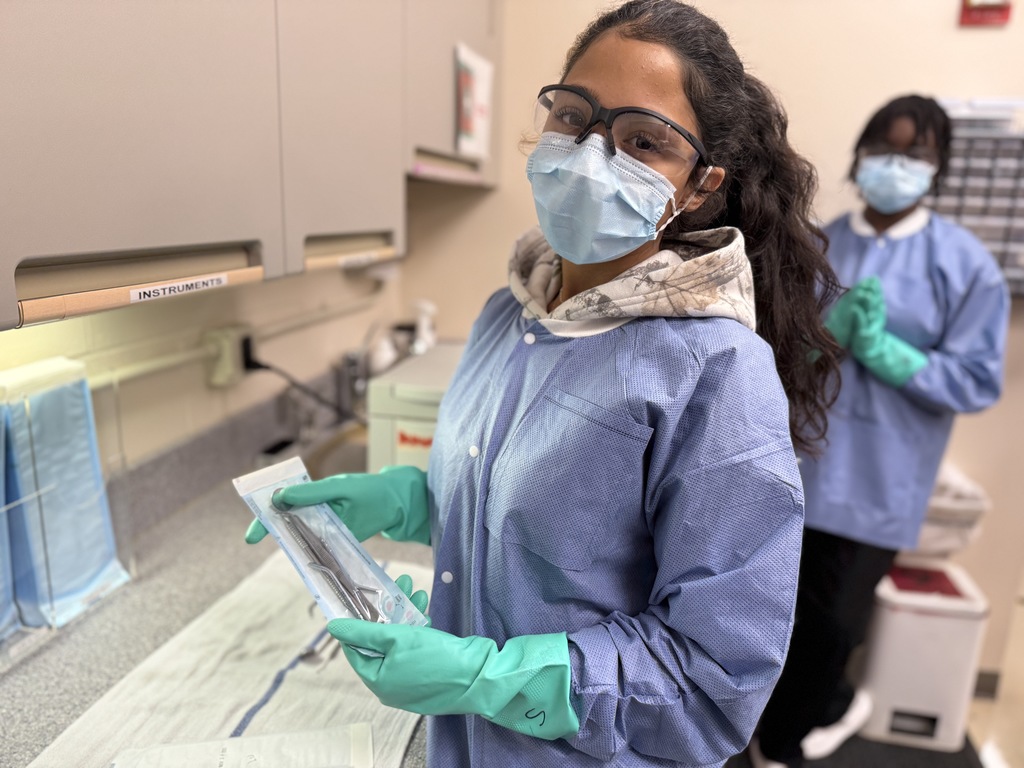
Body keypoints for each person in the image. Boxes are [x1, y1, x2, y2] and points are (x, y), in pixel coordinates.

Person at [247, 1, 843, 765]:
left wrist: (489, 678)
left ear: (698, 185)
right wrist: (410, 499)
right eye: (575, 115)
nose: (592, 153)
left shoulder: (716, 372)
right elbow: (555, 529)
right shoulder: (511, 312)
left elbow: (714, 679)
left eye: (643, 141)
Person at [752, 95, 1011, 768]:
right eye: (882, 149)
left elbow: (976, 381)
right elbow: (772, 355)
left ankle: (801, 730)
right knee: (777, 612)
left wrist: (888, 352)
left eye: (913, 154)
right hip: (796, 463)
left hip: (879, 479)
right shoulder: (815, 246)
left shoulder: (965, 266)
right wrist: (816, 344)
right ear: (859, 155)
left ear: (938, 168)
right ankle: (773, 724)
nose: (894, 165)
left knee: (835, 623)